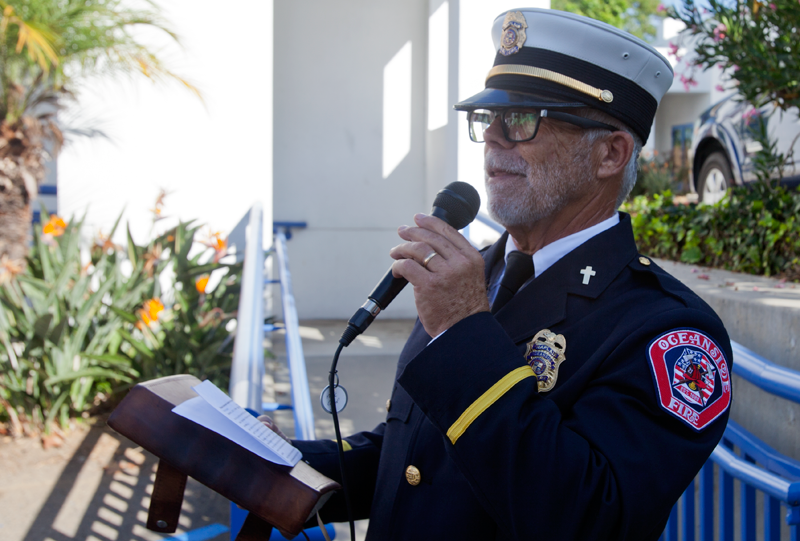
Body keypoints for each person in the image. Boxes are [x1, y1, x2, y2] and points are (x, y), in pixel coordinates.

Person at [273, 8, 733, 540]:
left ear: (610, 153)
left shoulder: (669, 334)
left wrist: (466, 332)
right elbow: (417, 459)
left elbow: (590, 518)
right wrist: (283, 461)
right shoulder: (479, 274)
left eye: (522, 119)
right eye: (486, 119)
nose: (492, 137)